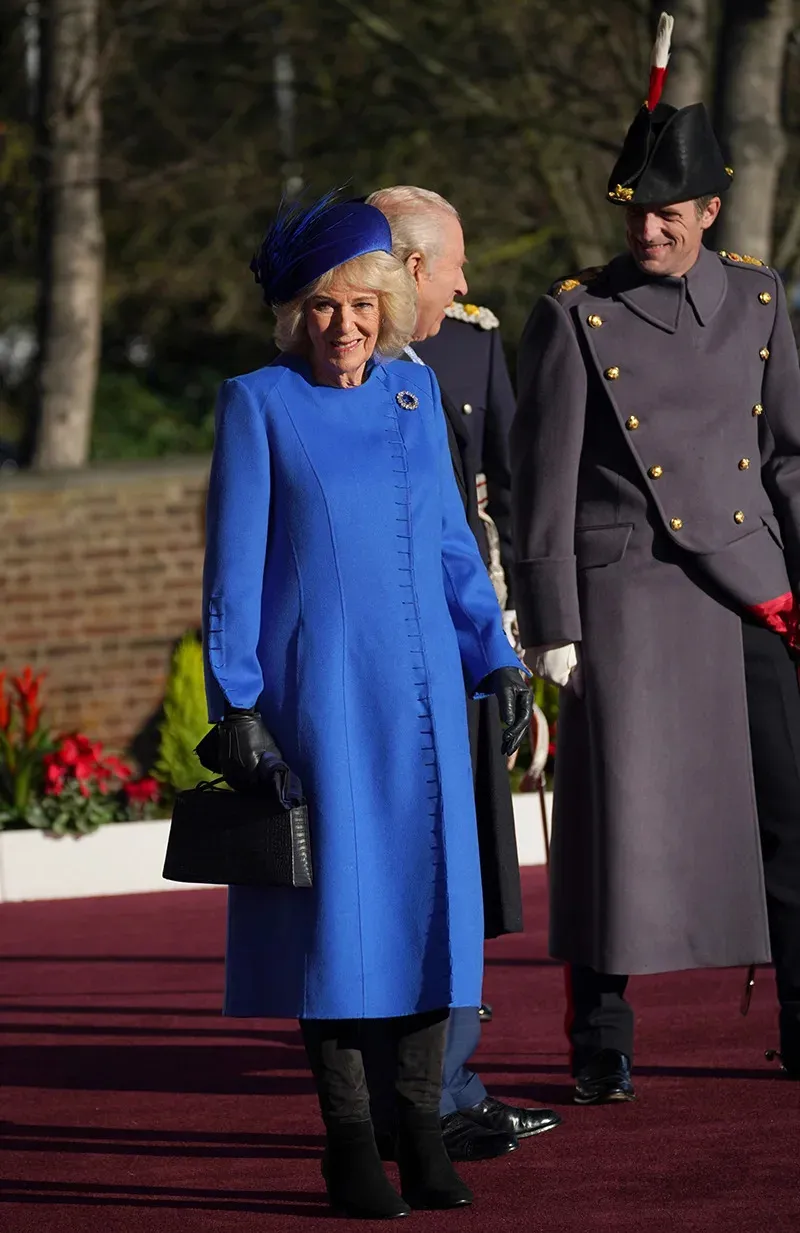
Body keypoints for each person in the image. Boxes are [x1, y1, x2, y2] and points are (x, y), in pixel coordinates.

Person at [201, 193, 532, 1219]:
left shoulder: (410, 399)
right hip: (323, 702)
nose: (341, 326)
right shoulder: (258, 403)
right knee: (336, 931)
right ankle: (349, 1143)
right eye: (319, 307)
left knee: (434, 917)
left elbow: (447, 545)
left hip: (427, 697)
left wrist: (496, 658)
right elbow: (232, 571)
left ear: (388, 303)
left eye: (358, 305)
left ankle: (422, 1133)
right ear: (293, 314)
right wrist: (237, 701)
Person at [510, 11, 800, 1106]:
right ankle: (600, 1036)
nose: (649, 234)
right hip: (625, 592)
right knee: (616, 826)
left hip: (751, 593)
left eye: (669, 216)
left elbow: (787, 459)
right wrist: (552, 623)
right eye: (636, 214)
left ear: (709, 211)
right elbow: (541, 478)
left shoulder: (763, 299)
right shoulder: (572, 316)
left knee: (787, 812)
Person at [368, 185, 561, 1156]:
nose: (466, 283)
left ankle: (446, 1082)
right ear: (409, 269)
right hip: (380, 667)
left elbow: (494, 514)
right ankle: (418, 1097)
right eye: (453, 266)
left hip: (465, 653)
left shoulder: (470, 347)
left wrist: (516, 645)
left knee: (472, 875)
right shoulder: (335, 371)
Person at [415, 299, 518, 644]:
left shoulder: (472, 338)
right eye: (454, 266)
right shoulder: (353, 335)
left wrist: (514, 596)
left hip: (474, 576)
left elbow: (505, 473)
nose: (463, 285)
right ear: (417, 264)